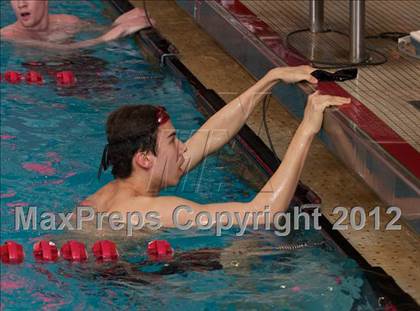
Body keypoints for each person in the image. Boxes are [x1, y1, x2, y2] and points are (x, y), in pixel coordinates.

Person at [82, 65, 350, 228]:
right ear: (144, 159)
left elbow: (209, 136)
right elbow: (262, 213)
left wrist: (272, 78)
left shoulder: (120, 190)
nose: (184, 148)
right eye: (173, 141)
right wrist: (307, 129)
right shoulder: (149, 211)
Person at [0, 0, 153, 50]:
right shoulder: (9, 35)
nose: (21, 4)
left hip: (83, 63)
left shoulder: (68, 21)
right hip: (47, 76)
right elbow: (62, 51)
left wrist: (119, 23)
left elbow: (104, 31)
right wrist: (106, 38)